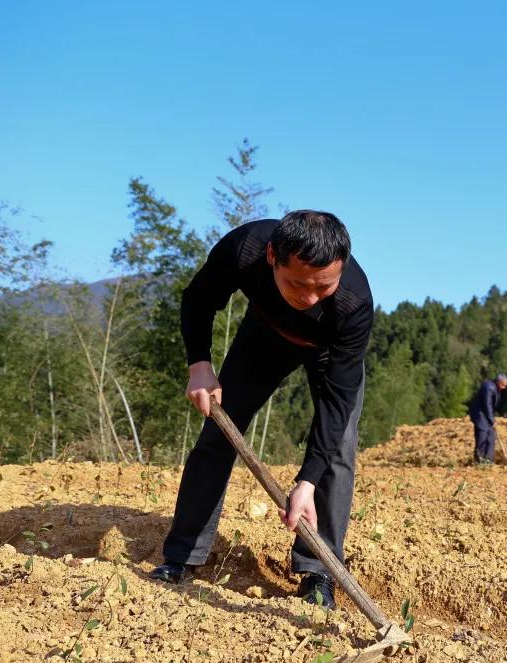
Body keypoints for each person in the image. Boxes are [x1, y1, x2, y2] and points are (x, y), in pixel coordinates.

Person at [149, 210, 373, 610]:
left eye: (323, 287)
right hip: (263, 337)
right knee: (219, 433)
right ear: (272, 257)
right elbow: (198, 298)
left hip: (327, 353)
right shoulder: (246, 248)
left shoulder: (354, 302)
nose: (309, 299)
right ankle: (181, 556)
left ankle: (318, 571)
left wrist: (307, 481)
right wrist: (199, 365)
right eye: (297, 284)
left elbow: (337, 405)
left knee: (337, 451)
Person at [469, 374, 507, 463]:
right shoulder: (489, 388)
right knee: (482, 438)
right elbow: (487, 405)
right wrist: (492, 420)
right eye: (503, 385)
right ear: (499, 382)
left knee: (491, 437)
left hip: (486, 415)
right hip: (480, 415)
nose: (504, 388)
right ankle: (479, 460)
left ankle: (489, 460)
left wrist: (491, 419)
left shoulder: (495, 387)